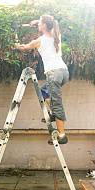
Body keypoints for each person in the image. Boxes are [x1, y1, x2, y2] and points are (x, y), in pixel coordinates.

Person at [15, 15, 69, 144]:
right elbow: (53, 20)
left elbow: (23, 48)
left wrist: (15, 43)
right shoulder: (57, 35)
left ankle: (62, 136)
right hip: (64, 73)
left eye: (40, 23)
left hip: (53, 74)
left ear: (44, 25)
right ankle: (50, 115)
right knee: (43, 92)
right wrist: (37, 22)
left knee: (57, 104)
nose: (38, 25)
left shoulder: (40, 40)